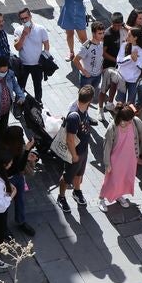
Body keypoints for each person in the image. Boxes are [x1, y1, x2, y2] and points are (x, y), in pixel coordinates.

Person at [99, 103, 142, 209]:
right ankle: (101, 199)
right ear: (120, 118)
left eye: (131, 120)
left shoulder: (135, 122)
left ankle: (119, 195)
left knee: (124, 179)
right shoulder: (112, 128)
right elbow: (107, 146)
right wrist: (107, 163)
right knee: (111, 180)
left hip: (130, 159)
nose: (130, 122)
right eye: (128, 121)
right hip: (115, 160)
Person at [55, 85, 94, 213]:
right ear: (90, 100)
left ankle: (77, 192)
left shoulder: (84, 109)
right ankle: (61, 197)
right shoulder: (74, 116)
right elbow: (70, 139)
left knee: (79, 174)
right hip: (74, 153)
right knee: (67, 177)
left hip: (83, 150)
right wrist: (74, 155)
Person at [14, 7, 50, 105]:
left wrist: (44, 58)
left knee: (38, 86)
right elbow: (17, 47)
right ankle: (19, 104)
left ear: (30, 16)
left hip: (37, 65)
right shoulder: (18, 30)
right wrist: (24, 35)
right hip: (23, 64)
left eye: (26, 18)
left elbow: (46, 44)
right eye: (22, 19)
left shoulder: (40, 29)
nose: (25, 20)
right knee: (21, 86)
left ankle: (38, 103)